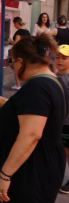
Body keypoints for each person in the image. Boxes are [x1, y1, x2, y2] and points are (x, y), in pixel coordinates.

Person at [0, 33, 66, 203]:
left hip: (29, 170)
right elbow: (39, 113)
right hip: (43, 163)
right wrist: (7, 104)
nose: (14, 68)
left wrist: (4, 175)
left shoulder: (37, 87)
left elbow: (31, 135)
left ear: (21, 61)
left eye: (12, 63)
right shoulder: (53, 81)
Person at [55, 44, 69, 194]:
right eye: (57, 57)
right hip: (57, 122)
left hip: (67, 123)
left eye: (64, 58)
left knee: (67, 152)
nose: (59, 61)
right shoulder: (55, 75)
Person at [8, 17, 30, 90]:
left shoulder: (19, 32)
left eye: (14, 23)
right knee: (24, 69)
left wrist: (10, 41)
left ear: (17, 23)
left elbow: (16, 43)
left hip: (18, 52)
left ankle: (18, 86)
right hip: (25, 52)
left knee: (17, 69)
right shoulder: (27, 31)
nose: (14, 25)